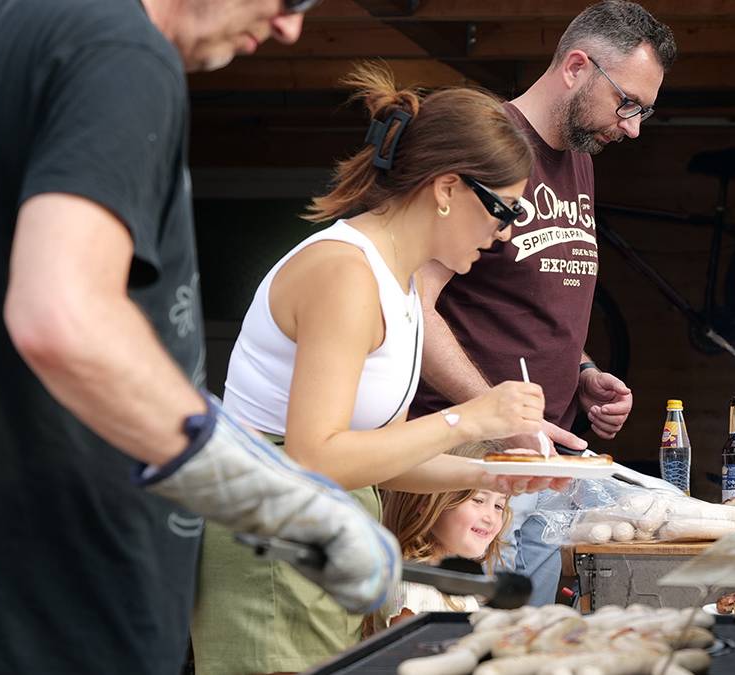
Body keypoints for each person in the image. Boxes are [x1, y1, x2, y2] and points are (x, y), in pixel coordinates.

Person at [0, 0, 399, 673]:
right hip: (60, 606)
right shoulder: (123, 53)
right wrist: (271, 498)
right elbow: (62, 316)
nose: (290, 28)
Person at [194, 63, 570, 674]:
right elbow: (316, 459)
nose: (505, 235)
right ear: (448, 189)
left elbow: (372, 458)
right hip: (274, 550)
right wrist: (467, 418)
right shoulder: (344, 273)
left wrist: (492, 474)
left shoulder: (398, 283)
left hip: (321, 543)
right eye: (504, 211)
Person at [410, 0, 678, 606]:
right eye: (628, 103)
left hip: (541, 457)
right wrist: (493, 413)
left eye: (644, 112)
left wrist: (581, 373)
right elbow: (410, 307)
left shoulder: (580, 156)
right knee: (446, 638)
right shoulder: (489, 148)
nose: (632, 126)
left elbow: (536, 292)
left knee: (518, 644)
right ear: (577, 66)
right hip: (456, 466)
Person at [377, 442, 513, 629]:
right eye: (478, 500)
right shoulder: (414, 590)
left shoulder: (456, 582)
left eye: (499, 506)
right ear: (426, 502)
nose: (491, 518)